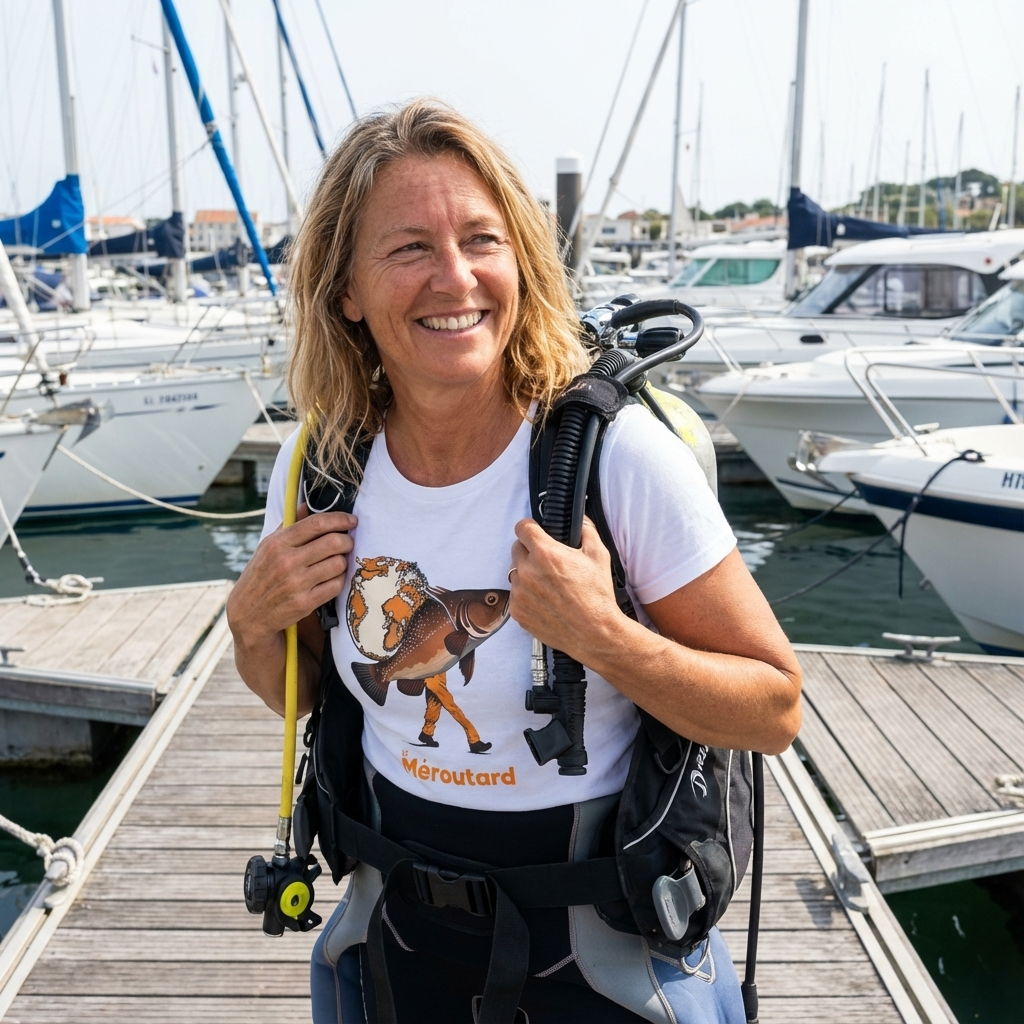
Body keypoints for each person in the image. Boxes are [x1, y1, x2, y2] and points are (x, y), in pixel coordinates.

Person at [228, 99, 802, 1024]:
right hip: (399, 938)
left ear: (522, 265)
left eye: (481, 240)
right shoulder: (320, 468)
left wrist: (608, 640)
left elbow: (775, 708)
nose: (454, 277)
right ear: (345, 290)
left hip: (596, 953)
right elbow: (298, 690)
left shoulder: (615, 462)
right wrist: (249, 622)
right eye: (409, 247)